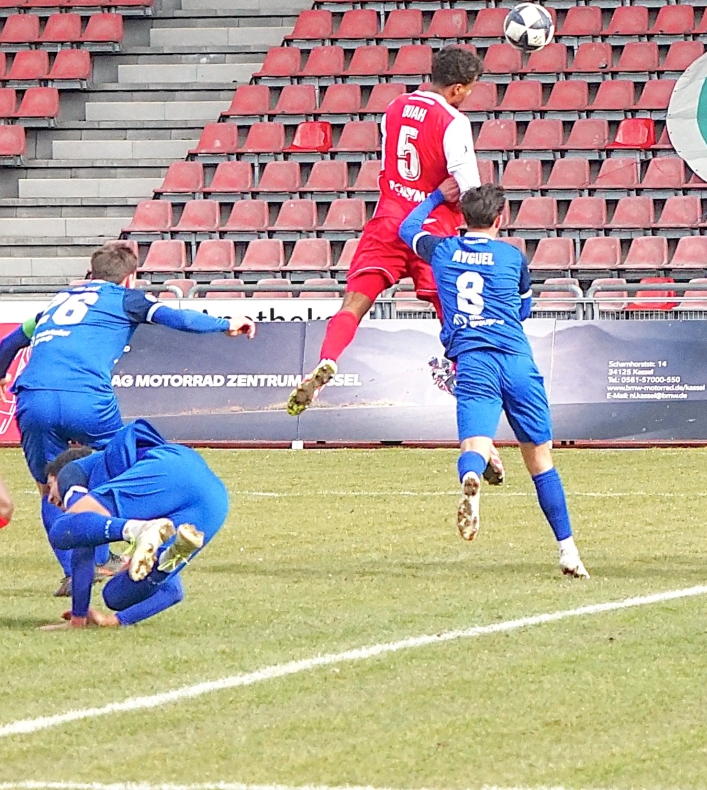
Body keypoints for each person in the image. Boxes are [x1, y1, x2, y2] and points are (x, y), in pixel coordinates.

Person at [0, 241, 253, 588]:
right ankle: (133, 535)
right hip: (88, 399)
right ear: (130, 278)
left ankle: (77, 572)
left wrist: (2, 374)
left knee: (50, 486)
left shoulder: (57, 302)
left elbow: (9, 343)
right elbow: (174, 316)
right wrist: (225, 324)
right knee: (118, 464)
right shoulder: (126, 298)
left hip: (35, 398)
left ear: (92, 272)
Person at [401, 183, 588, 578]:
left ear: (463, 218)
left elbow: (407, 228)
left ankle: (472, 473)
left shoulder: (444, 250)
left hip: (474, 361)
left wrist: (437, 197)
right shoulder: (511, 256)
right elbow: (524, 307)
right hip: (516, 360)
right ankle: (568, 551)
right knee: (540, 460)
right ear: (500, 220)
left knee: (475, 445)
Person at [287, 46, 485, 416]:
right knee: (451, 308)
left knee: (354, 303)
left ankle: (328, 358)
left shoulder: (394, 109)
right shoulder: (454, 122)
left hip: (389, 219)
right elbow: (470, 188)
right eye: (470, 90)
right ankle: (462, 373)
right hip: (432, 228)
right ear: (458, 88)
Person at [39, 418, 228, 629]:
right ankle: (169, 557)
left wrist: (78, 618)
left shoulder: (71, 473)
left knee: (61, 529)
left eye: (49, 487)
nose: (50, 500)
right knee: (117, 596)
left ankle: (138, 530)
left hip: (168, 467)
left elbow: (80, 543)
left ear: (57, 476)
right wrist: (116, 620)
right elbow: (172, 592)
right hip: (213, 500)